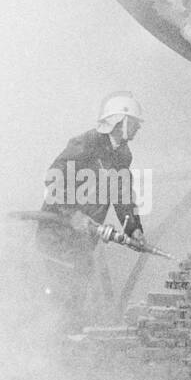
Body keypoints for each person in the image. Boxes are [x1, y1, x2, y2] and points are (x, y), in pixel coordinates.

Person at [36, 92, 147, 334]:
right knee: (60, 294)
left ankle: (69, 345)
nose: (138, 128)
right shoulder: (84, 143)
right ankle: (50, 344)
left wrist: (133, 228)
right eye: (135, 123)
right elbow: (53, 179)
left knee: (78, 292)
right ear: (120, 121)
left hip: (84, 239)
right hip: (57, 234)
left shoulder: (122, 155)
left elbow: (123, 195)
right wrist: (71, 213)